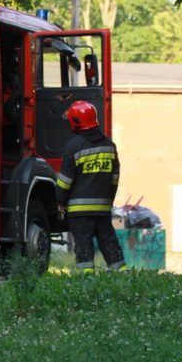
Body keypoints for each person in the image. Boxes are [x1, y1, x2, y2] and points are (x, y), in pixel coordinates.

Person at [56, 101, 126, 273]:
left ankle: (87, 278)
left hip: (79, 211)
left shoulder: (73, 147)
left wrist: (59, 200)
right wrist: (108, 201)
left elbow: (65, 181)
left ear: (76, 122)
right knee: (109, 242)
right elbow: (114, 179)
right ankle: (122, 274)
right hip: (102, 208)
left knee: (83, 245)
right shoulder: (110, 146)